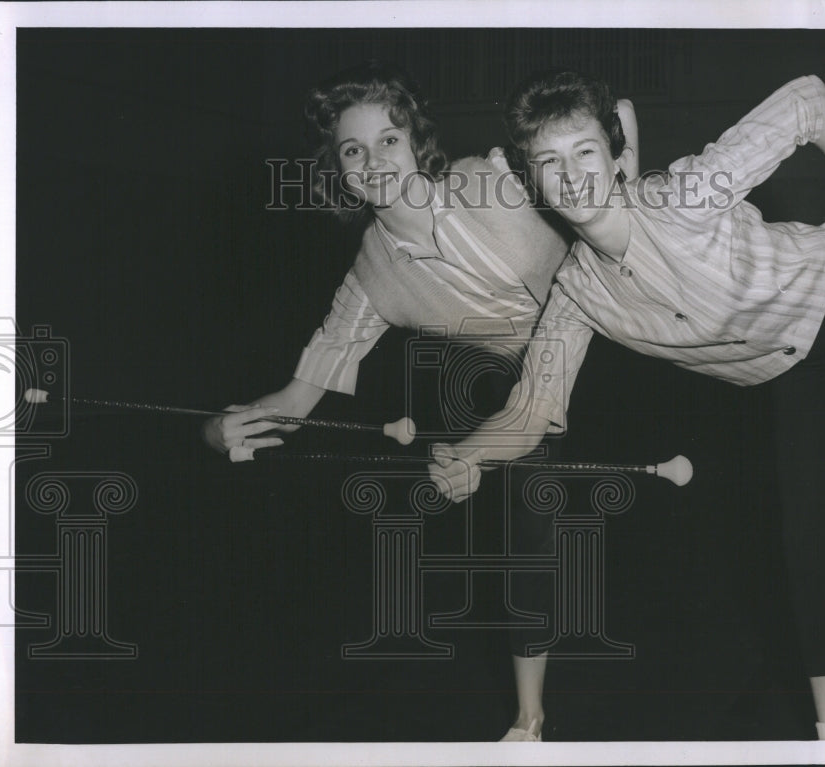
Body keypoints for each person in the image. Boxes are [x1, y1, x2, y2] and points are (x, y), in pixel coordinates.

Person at [428, 70, 825, 741]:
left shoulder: (683, 194)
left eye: (585, 152)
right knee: (809, 553)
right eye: (549, 163)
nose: (572, 176)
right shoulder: (576, 292)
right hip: (804, 374)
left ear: (616, 157)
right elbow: (532, 410)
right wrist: (468, 454)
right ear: (531, 182)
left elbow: (809, 99)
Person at [201, 61, 639, 743]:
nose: (374, 160)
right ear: (337, 169)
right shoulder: (371, 274)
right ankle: (529, 719)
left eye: (389, 139)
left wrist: (626, 159)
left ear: (416, 142)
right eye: (353, 149)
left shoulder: (493, 179)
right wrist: (218, 428)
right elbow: (298, 392)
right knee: (524, 502)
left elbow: (604, 151)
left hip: (609, 336)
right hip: (522, 386)